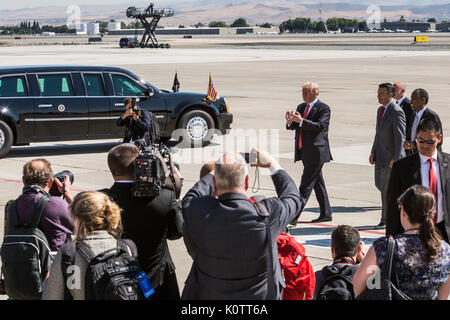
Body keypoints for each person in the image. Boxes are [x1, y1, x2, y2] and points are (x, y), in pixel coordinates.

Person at [181, 149, 303, 300]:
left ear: (214, 183)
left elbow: (189, 198)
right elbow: (293, 198)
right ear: (246, 181)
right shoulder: (267, 216)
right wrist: (273, 164)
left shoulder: (199, 212)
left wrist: (218, 171)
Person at [103, 143, 183, 300]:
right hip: (159, 280)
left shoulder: (102, 201)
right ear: (139, 165)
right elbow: (176, 233)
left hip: (119, 280)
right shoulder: (165, 197)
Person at [353, 185, 450, 300]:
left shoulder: (384, 246)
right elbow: (443, 296)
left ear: (403, 211)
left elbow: (358, 285)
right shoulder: (445, 250)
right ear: (433, 213)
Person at [42, 191, 124, 300]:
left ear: (78, 218)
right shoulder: (126, 248)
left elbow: (52, 296)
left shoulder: (69, 253)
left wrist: (48, 279)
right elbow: (144, 290)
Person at [386, 118, 449, 243]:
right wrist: (391, 239)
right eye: (421, 140)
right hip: (413, 235)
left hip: (444, 232)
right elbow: (393, 207)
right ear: (415, 136)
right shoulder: (401, 167)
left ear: (439, 139)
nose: (425, 145)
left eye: (430, 141)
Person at [285, 82, 332, 223]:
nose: (303, 95)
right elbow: (296, 126)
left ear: (315, 93)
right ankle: (326, 213)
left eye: (306, 92)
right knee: (318, 184)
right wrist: (290, 122)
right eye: (303, 92)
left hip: (316, 154)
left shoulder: (324, 109)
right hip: (305, 152)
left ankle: (293, 217)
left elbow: (320, 127)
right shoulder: (301, 106)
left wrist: (301, 121)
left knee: (305, 187)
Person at [5, 158, 74, 251]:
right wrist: (67, 194)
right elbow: (86, 223)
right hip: (51, 264)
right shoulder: (57, 205)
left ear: (23, 180)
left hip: (16, 264)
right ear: (50, 182)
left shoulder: (12, 207)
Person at [369, 83, 406, 229]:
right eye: (378, 93)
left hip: (391, 157)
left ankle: (385, 219)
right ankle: (396, 207)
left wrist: (396, 158)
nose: (378, 96)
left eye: (381, 94)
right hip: (380, 155)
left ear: (390, 95)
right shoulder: (380, 110)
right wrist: (373, 151)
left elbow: (400, 137)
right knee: (379, 184)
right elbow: (378, 134)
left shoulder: (396, 111)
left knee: (385, 189)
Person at [313, 225, 365, 300]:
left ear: (332, 249)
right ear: (359, 250)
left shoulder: (317, 277)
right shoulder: (365, 277)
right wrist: (364, 259)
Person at [404, 88, 443, 156]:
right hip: (413, 156)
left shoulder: (432, 116)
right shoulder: (413, 115)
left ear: (423, 100)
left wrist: (415, 145)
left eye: (414, 99)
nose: (411, 102)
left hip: (428, 156)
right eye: (411, 99)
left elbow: (438, 140)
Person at [393, 82, 414, 154]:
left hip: (405, 143)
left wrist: (407, 140)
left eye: (395, 90)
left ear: (403, 91)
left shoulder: (408, 105)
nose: (393, 92)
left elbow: (410, 124)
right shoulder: (394, 104)